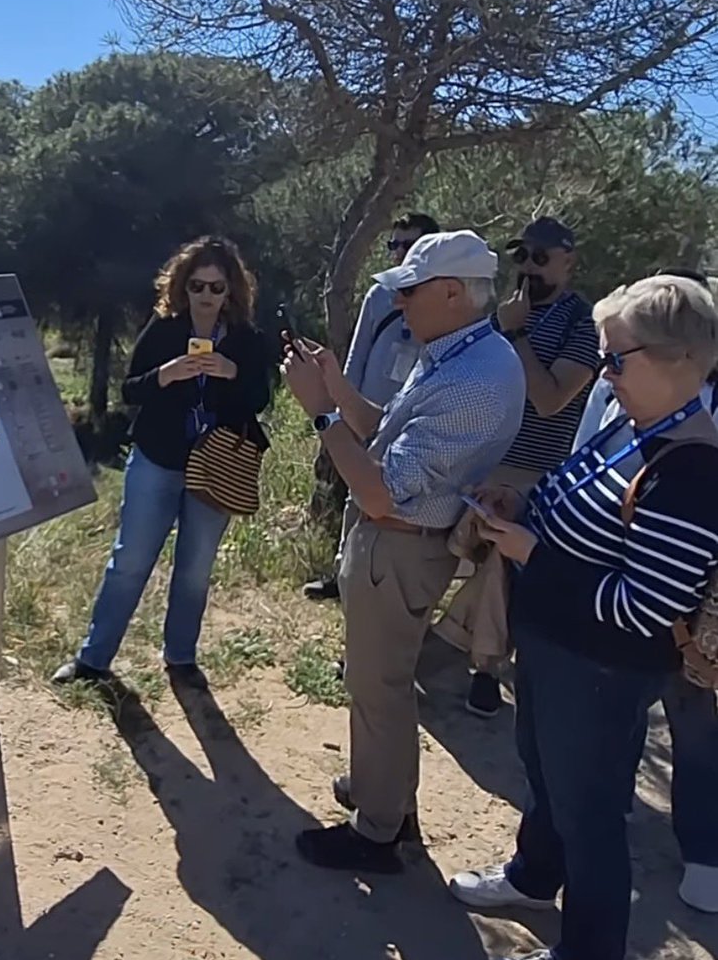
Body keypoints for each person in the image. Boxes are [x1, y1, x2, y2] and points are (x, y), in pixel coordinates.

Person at [450, 275, 718, 960]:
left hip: (602, 670)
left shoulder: (693, 468)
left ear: (680, 358)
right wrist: (522, 505)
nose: (605, 373)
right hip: (557, 648)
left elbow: (644, 606)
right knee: (545, 774)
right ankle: (534, 876)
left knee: (590, 812)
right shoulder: (636, 422)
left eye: (617, 359)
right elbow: (573, 493)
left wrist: (532, 554)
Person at [282, 231, 525, 873]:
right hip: (397, 544)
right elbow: (387, 430)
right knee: (378, 684)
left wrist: (320, 414)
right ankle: (383, 794)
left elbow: (380, 489)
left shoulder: (475, 379)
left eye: (409, 291)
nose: (400, 304)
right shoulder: (458, 352)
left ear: (452, 293)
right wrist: (337, 388)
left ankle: (379, 831)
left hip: (399, 546)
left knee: (380, 689)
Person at [52, 236, 270, 690]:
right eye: (197, 286)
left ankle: (181, 658)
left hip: (216, 465)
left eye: (216, 287)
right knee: (131, 559)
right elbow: (130, 389)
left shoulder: (245, 338)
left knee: (195, 567)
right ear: (182, 286)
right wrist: (166, 375)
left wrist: (231, 373)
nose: (206, 296)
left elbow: (259, 398)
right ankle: (92, 659)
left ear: (231, 290)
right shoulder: (166, 327)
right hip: (158, 457)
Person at [572, 267, 718, 915]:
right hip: (630, 567)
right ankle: (618, 808)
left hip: (690, 597)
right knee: (621, 711)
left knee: (694, 721)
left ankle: (705, 850)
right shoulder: (624, 386)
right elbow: (588, 448)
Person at [434, 217, 599, 717]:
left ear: (568, 263)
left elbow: (551, 400)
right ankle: (418, 643)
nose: (528, 267)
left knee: (498, 563)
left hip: (534, 470)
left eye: (541, 258)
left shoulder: (581, 324)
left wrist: (518, 333)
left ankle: (482, 669)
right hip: (480, 456)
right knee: (446, 550)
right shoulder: (501, 314)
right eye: (521, 255)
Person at [303, 211, 439, 601]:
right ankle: (343, 573)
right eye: (394, 244)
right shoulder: (380, 295)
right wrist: (341, 405)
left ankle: (390, 581)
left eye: (408, 245)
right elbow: (357, 353)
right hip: (366, 409)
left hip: (414, 417)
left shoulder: (443, 302)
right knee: (356, 494)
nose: (399, 252)